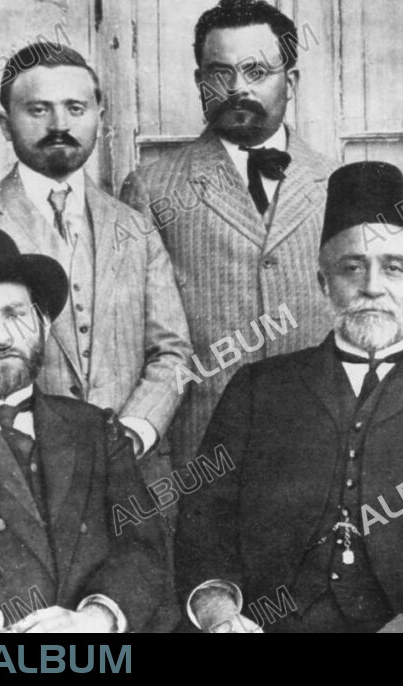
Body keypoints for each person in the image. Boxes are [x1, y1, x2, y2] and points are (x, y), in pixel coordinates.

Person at [175, 162, 403, 633]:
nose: (372, 287)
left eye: (393, 268)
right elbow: (205, 522)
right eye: (351, 268)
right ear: (324, 284)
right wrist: (221, 613)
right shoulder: (258, 390)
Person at [120, 0, 338, 475]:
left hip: (320, 454)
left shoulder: (336, 182)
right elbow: (148, 346)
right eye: (220, 74)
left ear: (291, 82)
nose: (238, 88)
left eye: (257, 70)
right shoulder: (153, 189)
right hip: (203, 459)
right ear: (201, 83)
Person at [0, 43, 191, 479]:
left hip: (134, 478)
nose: (60, 125)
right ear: (4, 122)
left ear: (99, 119)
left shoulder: (135, 226)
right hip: (12, 485)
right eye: (38, 110)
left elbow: (173, 352)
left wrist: (130, 434)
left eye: (75, 108)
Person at [0, 227, 172, 633]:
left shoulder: (95, 429)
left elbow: (141, 550)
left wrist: (95, 619)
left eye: (14, 314)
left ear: (43, 322)